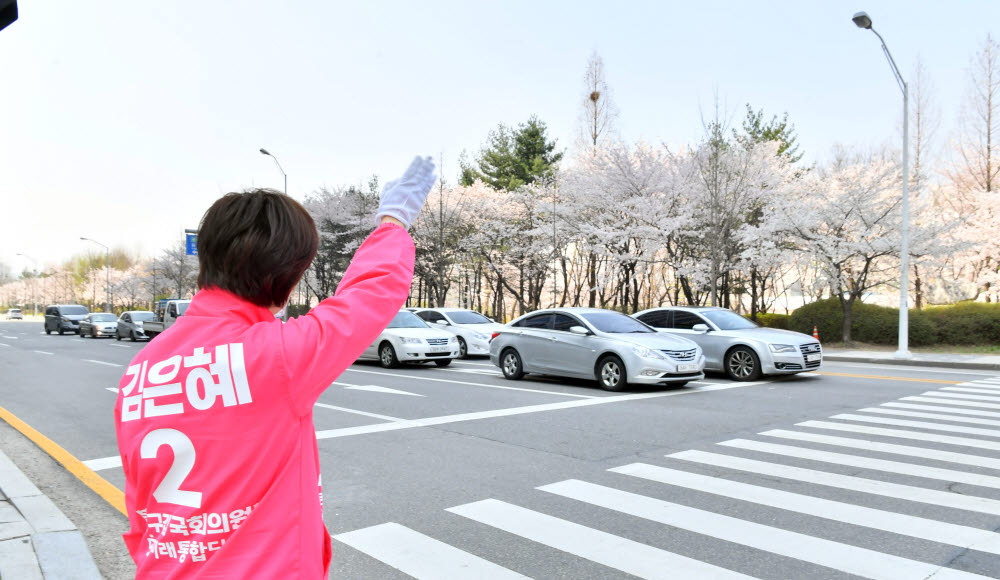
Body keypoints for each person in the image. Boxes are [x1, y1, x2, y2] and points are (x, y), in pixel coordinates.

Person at [114, 156, 436, 578]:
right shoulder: (276, 355)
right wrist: (393, 220)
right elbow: (370, 293)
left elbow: (140, 507)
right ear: (286, 279)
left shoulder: (140, 369)